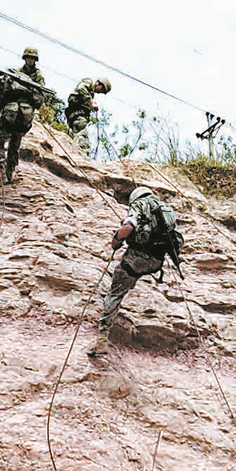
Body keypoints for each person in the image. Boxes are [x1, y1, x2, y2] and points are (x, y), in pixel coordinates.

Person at [90, 186, 182, 357]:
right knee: (131, 278)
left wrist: (116, 240)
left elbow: (129, 227)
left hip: (135, 260)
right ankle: (131, 282)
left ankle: (102, 339)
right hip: (156, 261)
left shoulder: (139, 205)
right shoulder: (164, 209)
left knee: (115, 294)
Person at [0, 47, 46, 183]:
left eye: (31, 58)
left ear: (34, 60)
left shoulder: (16, 75)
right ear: (25, 58)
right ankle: (10, 171)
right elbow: (39, 101)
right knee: (15, 142)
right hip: (26, 115)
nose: (30, 60)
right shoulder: (35, 77)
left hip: (12, 112)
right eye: (28, 57)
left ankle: (1, 170)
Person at [65, 77, 112, 154]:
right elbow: (81, 88)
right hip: (77, 114)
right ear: (99, 84)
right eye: (102, 90)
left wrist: (91, 106)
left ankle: (76, 151)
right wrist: (91, 102)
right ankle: (77, 153)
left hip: (77, 115)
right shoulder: (88, 82)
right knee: (81, 136)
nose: (100, 93)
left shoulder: (90, 93)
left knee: (80, 134)